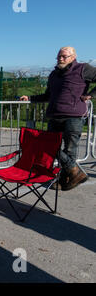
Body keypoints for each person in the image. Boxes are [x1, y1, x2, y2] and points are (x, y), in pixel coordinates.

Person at [20, 46, 96, 191]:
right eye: (59, 56)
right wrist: (30, 98)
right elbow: (48, 95)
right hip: (54, 115)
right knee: (49, 147)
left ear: (73, 57)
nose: (60, 59)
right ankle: (74, 172)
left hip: (73, 117)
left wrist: (92, 94)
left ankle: (63, 179)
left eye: (64, 56)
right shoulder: (54, 74)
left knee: (69, 150)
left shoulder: (83, 68)